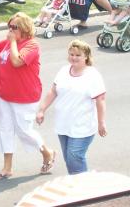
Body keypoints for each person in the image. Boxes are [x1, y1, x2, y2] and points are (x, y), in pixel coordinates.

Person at [0, 12, 56, 180]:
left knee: (24, 130)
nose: (10, 29)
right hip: (5, 95)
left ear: (24, 28)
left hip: (25, 97)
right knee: (5, 130)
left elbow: (16, 62)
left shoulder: (31, 45)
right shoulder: (9, 44)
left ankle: (47, 152)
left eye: (14, 27)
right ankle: (7, 168)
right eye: (9, 26)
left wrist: (13, 41)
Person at [36, 39, 107, 175]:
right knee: (69, 159)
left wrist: (101, 122)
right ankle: (77, 184)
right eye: (71, 54)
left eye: (78, 55)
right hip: (64, 124)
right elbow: (53, 91)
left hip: (82, 126)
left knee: (75, 156)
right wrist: (41, 110)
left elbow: (100, 99)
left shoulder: (93, 75)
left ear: (86, 56)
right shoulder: (63, 71)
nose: (73, 58)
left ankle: (83, 189)